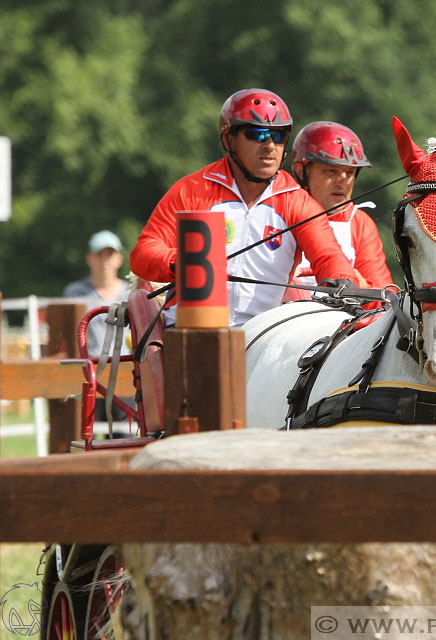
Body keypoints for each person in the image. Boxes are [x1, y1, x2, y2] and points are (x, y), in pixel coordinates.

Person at [130, 88, 358, 327]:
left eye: (278, 136)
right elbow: (142, 254)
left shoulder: (297, 201)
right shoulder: (192, 190)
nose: (270, 145)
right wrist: (179, 262)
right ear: (229, 140)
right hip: (191, 329)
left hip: (264, 336)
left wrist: (341, 279)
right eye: (257, 134)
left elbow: (328, 255)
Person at [283, 121, 394, 302]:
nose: (342, 181)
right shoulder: (280, 209)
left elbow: (383, 298)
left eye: (349, 172)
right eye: (330, 171)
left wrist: (357, 282)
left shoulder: (360, 222)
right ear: (300, 171)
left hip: (341, 323)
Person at [62, 229, 132, 421]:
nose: (104, 260)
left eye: (109, 254)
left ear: (119, 258)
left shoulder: (132, 292)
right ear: (89, 258)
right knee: (85, 435)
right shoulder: (74, 293)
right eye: (99, 254)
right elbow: (65, 335)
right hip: (87, 373)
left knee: (124, 437)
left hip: (125, 372)